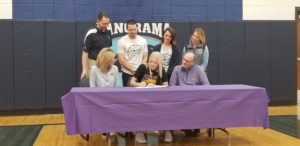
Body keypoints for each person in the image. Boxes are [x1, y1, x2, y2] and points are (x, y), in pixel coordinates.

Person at [130, 52, 168, 143]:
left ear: (159, 63)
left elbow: (166, 85)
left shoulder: (161, 70)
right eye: (151, 61)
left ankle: (165, 130)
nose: (152, 64)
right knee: (140, 111)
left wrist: (156, 87)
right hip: (140, 99)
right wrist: (139, 84)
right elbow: (132, 82)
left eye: (155, 62)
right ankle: (139, 132)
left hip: (155, 99)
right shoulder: (143, 67)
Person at [170, 52, 210, 136]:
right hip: (180, 98)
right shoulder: (176, 69)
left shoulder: (198, 70)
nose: (184, 62)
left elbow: (207, 85)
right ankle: (186, 127)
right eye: (184, 59)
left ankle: (195, 127)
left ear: (192, 63)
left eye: (187, 61)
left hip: (195, 99)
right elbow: (172, 85)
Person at [81, 11, 112, 79]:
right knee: (93, 86)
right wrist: (84, 69)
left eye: (107, 24)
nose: (106, 26)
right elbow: (85, 53)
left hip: (105, 64)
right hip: (93, 63)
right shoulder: (91, 33)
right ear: (98, 21)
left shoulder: (109, 31)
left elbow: (109, 49)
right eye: (104, 24)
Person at [117, 19, 148, 86]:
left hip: (141, 74)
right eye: (130, 30)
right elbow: (121, 60)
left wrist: (140, 70)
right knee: (127, 95)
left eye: (134, 29)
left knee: (141, 95)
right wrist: (133, 70)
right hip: (127, 73)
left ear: (137, 28)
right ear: (127, 29)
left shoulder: (143, 41)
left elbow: (145, 56)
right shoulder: (121, 41)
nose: (133, 31)